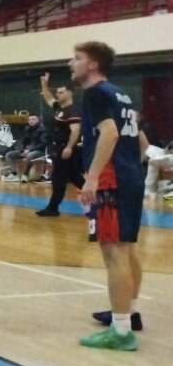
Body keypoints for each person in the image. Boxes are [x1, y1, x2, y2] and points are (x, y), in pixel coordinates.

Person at [70, 42, 145, 350]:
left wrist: (92, 177)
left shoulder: (95, 93)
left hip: (112, 179)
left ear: (93, 65)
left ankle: (121, 332)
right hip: (130, 176)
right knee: (126, 249)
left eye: (77, 58)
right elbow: (141, 140)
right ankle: (129, 313)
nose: (71, 63)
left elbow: (110, 133)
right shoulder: (121, 94)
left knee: (113, 252)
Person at [36, 73, 85, 215]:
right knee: (74, 176)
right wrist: (44, 84)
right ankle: (100, 197)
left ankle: (52, 208)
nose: (57, 94)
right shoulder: (59, 108)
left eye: (61, 92)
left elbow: (76, 130)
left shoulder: (73, 110)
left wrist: (69, 147)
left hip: (65, 148)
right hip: (59, 147)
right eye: (57, 92)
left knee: (58, 179)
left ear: (70, 93)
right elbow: (48, 98)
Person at [3, 114, 48, 182]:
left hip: (39, 151)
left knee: (29, 155)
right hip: (27, 150)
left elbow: (43, 144)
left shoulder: (43, 130)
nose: (31, 121)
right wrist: (22, 150)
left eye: (33, 119)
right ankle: (14, 174)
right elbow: (24, 142)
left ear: (38, 120)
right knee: (9, 155)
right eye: (29, 119)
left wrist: (29, 150)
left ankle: (25, 174)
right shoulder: (28, 129)